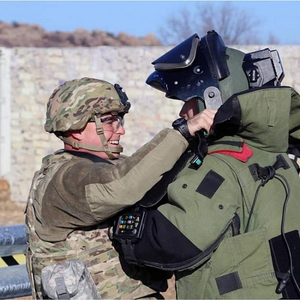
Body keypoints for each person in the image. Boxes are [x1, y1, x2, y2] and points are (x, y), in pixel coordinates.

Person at [110, 30, 300, 299]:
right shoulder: (276, 154)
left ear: (212, 98)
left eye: (187, 98)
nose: (181, 111)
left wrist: (121, 224)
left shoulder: (220, 165)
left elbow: (173, 242)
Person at [25, 77, 216, 299]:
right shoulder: (64, 179)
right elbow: (120, 186)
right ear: (75, 127)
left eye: (120, 120)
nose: (120, 131)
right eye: (108, 121)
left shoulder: (111, 166)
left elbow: (148, 176)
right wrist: (183, 131)